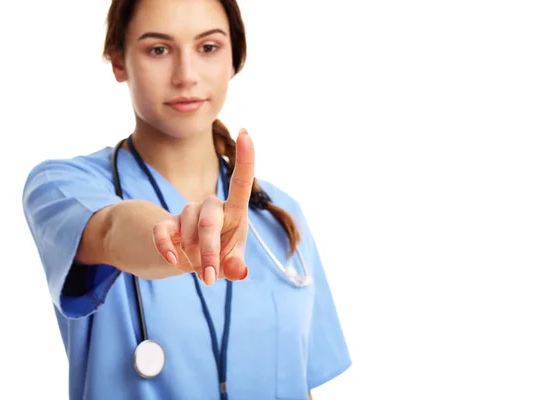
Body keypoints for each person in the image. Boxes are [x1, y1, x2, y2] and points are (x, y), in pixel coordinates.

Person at [22, 0, 352, 399]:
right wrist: (173, 238)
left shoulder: (280, 216)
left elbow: (303, 386)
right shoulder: (61, 185)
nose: (186, 76)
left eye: (208, 47)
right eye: (158, 50)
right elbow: (112, 229)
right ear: (118, 61)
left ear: (235, 58)